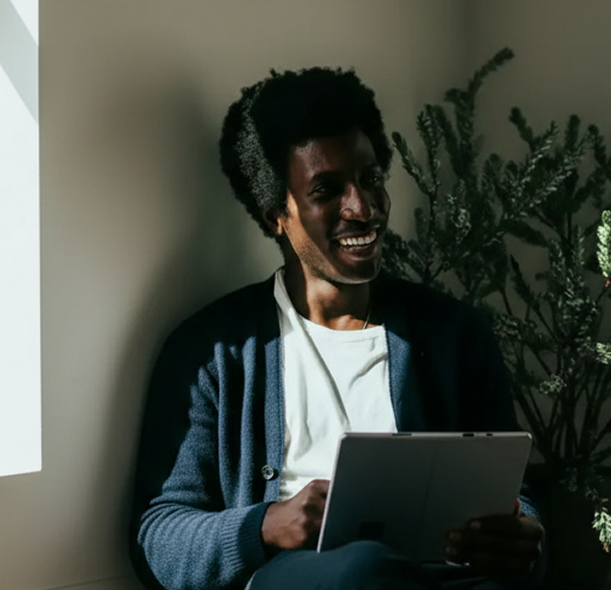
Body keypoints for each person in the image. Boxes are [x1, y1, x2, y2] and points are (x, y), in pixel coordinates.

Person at [129, 67, 545, 590]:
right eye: (326, 190)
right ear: (275, 214)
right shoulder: (213, 351)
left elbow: (516, 498)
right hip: (300, 580)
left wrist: (526, 537)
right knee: (361, 570)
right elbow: (158, 535)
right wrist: (266, 526)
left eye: (370, 179)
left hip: (441, 578)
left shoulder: (455, 336)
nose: (363, 208)